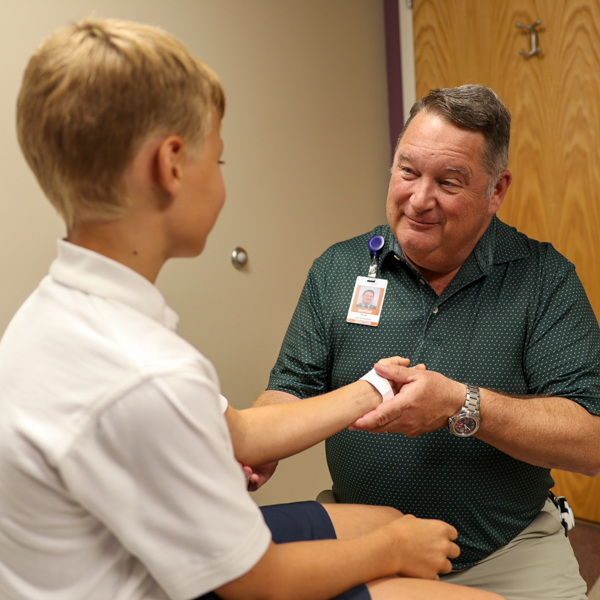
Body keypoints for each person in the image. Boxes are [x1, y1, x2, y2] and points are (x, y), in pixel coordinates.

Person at [0, 19, 505, 600]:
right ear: (170, 166)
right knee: (436, 567)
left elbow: (235, 430)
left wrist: (376, 387)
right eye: (217, 161)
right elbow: (257, 584)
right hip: (180, 583)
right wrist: (394, 552)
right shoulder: (149, 373)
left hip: (121, 549)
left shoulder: (61, 314)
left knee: (385, 518)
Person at [256, 85, 600, 600]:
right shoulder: (337, 270)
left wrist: (464, 407)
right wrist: (258, 444)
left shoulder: (543, 279)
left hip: (507, 554)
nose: (419, 199)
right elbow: (290, 388)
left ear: (497, 189)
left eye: (449, 182)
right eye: (408, 171)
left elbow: (592, 441)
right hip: (364, 540)